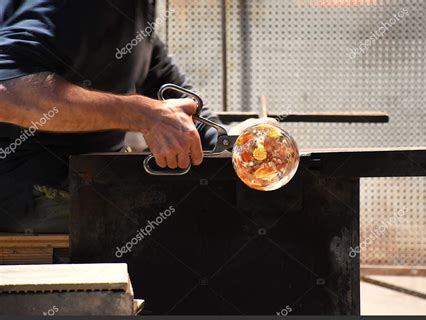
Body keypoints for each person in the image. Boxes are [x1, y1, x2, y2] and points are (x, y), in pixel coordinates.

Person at [0, 0, 270, 233]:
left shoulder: (135, 10)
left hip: (88, 183)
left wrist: (232, 139)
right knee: (190, 228)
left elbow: (165, 84)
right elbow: (6, 93)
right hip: (29, 195)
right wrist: (143, 114)